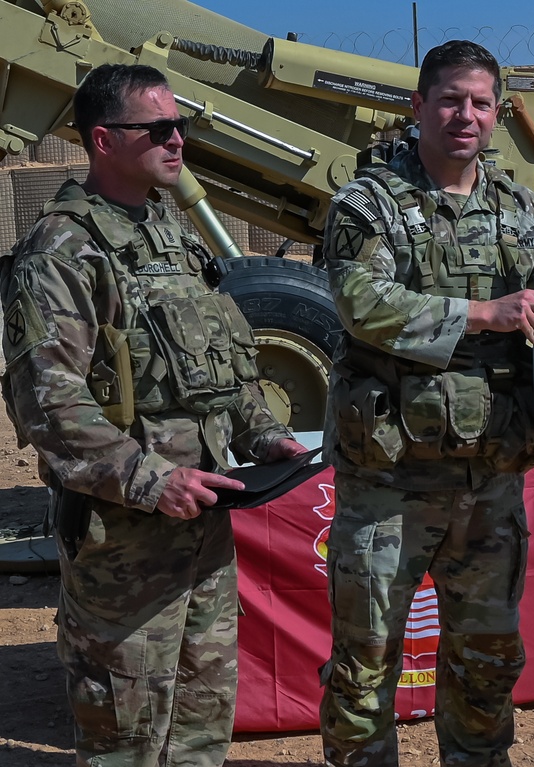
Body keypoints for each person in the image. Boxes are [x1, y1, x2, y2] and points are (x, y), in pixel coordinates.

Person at [0, 63, 307, 766]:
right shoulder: (62, 251)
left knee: (202, 719)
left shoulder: (169, 232)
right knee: (126, 732)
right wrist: (151, 480)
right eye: (159, 128)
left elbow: (225, 365)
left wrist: (261, 434)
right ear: (104, 140)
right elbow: (48, 403)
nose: (178, 141)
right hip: (124, 542)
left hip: (204, 530)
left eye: (182, 127)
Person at [318, 39, 534, 767]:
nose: (464, 115)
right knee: (364, 665)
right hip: (389, 484)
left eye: (478, 102)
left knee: (488, 660)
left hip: (489, 484)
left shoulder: (522, 209)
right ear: (418, 107)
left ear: (497, 113)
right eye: (449, 99)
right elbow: (359, 302)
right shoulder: (368, 202)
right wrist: (482, 314)